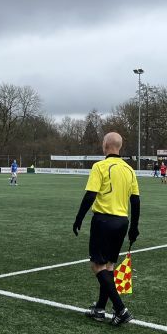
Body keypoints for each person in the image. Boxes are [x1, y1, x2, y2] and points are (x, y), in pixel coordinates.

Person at [73, 132, 140, 326]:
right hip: (122, 222)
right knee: (109, 266)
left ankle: (121, 309)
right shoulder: (129, 170)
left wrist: (78, 218)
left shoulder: (100, 166)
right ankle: (100, 309)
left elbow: (90, 195)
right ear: (119, 146)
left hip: (103, 221)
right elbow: (135, 201)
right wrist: (134, 228)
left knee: (97, 266)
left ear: (105, 145)